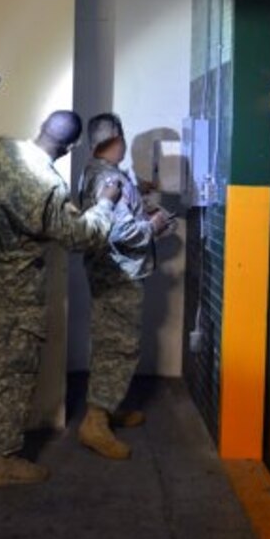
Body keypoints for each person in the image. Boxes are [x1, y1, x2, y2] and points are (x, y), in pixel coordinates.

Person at [0, 110, 121, 486]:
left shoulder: (1, 150)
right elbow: (80, 237)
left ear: (43, 127)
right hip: (15, 296)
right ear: (70, 148)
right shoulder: (48, 185)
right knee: (11, 377)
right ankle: (4, 461)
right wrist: (106, 204)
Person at [78, 113, 171, 460]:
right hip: (119, 275)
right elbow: (120, 232)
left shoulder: (98, 171)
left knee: (110, 342)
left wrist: (137, 195)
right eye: (121, 138)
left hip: (110, 273)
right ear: (113, 140)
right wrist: (154, 226)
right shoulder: (107, 178)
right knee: (119, 346)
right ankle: (95, 422)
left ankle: (107, 404)